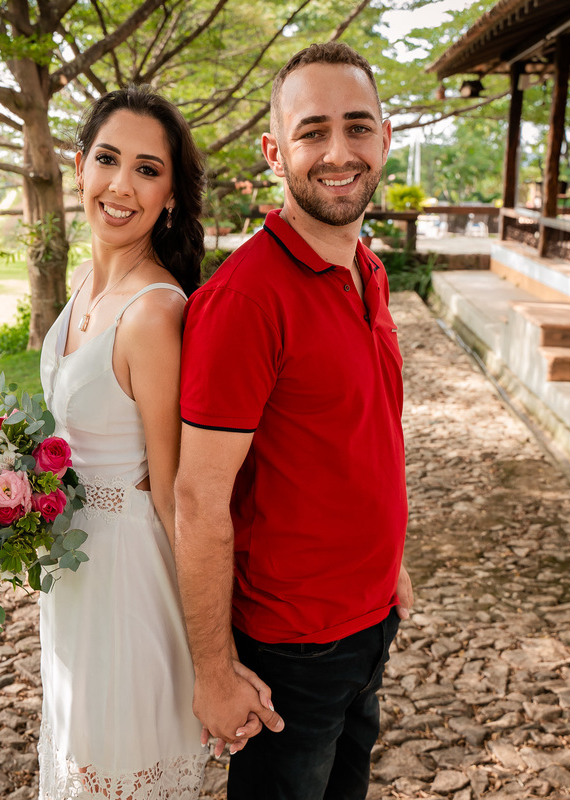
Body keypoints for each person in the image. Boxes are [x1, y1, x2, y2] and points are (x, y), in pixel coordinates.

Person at [175, 42, 415, 800]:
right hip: (294, 648)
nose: (338, 152)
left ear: (384, 138)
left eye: (357, 127)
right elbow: (198, 500)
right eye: (313, 131)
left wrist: (390, 566)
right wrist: (213, 673)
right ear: (276, 153)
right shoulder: (246, 301)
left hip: (371, 620)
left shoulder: (364, 265)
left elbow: (357, 440)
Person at [37, 86, 217, 799]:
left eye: (147, 169)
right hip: (71, 573)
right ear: (79, 166)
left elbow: (179, 496)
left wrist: (215, 657)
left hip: (129, 580)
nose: (121, 185)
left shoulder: (154, 313)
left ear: (171, 195)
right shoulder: (84, 286)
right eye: (108, 160)